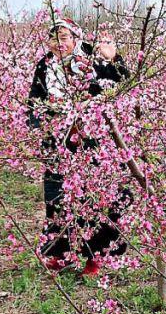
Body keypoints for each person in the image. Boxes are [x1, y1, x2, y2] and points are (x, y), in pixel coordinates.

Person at [27, 17, 130, 276]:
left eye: (64, 37)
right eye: (54, 38)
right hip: (57, 143)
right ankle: (59, 253)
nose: (59, 43)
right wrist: (40, 124)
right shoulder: (44, 65)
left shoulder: (91, 60)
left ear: (75, 39)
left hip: (92, 142)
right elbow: (34, 102)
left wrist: (113, 59)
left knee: (94, 197)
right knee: (57, 198)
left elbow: (123, 83)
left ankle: (96, 256)